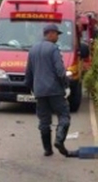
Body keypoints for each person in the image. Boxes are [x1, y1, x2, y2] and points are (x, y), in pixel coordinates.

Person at [25, 23, 74, 157]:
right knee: (64, 115)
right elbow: (60, 71)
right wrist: (66, 85)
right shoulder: (53, 49)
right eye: (57, 34)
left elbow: (28, 72)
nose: (57, 37)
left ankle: (47, 149)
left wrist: (31, 87)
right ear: (50, 33)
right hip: (55, 90)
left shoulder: (33, 49)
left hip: (39, 91)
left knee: (44, 120)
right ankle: (59, 140)